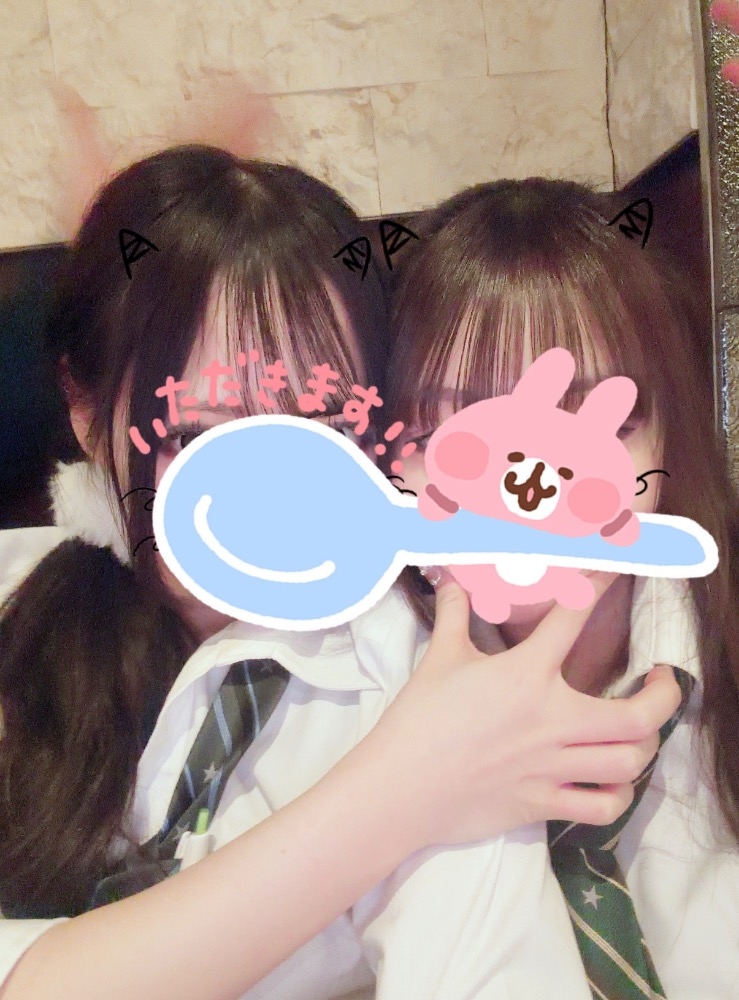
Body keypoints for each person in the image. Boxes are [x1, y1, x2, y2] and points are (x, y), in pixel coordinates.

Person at [0, 147, 679, 1000]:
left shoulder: (421, 673)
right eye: (200, 438)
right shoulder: (22, 608)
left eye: (319, 430)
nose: (270, 494)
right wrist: (398, 790)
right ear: (86, 410)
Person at [384, 176, 739, 1000]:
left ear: (670, 431)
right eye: (464, 431)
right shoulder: (338, 686)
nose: (532, 489)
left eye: (606, 424)